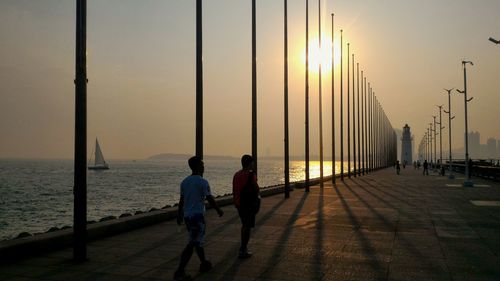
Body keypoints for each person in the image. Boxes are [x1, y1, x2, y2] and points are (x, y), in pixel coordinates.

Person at [174, 156, 224, 281]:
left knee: (197, 240)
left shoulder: (185, 182)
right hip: (197, 216)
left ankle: (204, 263)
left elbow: (181, 201)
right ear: (196, 166)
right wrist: (218, 210)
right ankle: (180, 271)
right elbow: (210, 198)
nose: (203, 167)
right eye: (202, 165)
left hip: (188, 217)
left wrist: (179, 215)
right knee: (192, 243)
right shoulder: (203, 182)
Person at [233, 154, 260, 259]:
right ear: (250, 163)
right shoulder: (250, 175)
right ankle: (243, 249)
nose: (253, 164)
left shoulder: (236, 174)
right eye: (252, 162)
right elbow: (256, 188)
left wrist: (236, 202)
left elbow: (234, 190)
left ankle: (243, 248)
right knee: (247, 227)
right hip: (248, 204)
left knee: (244, 224)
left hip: (239, 204)